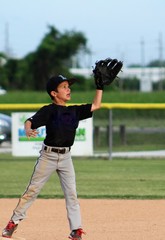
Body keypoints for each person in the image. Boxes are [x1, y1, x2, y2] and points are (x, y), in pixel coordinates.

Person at [2, 74, 104, 240]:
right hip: (47, 157)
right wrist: (28, 129)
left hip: (66, 158)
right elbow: (30, 121)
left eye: (68, 86)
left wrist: (100, 87)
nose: (68, 89)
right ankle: (13, 223)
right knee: (32, 191)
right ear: (54, 93)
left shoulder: (75, 110)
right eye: (64, 87)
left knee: (71, 194)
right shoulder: (48, 110)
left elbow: (96, 105)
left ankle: (76, 230)